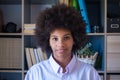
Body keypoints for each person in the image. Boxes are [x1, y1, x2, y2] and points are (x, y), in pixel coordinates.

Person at [25, 4, 101, 80]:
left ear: (74, 39)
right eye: (55, 39)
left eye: (66, 38)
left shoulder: (89, 74)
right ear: (48, 41)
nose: (61, 44)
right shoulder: (35, 74)